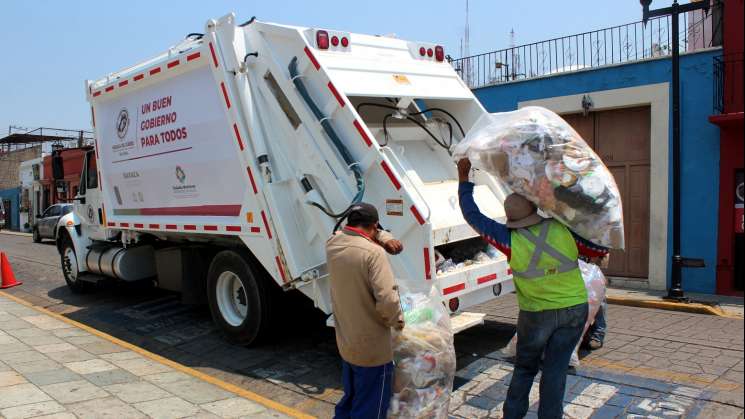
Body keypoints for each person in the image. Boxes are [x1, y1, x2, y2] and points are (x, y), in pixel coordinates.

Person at [456, 158, 608, 419]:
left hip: (536, 315)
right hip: (573, 310)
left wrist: (464, 178)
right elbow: (599, 248)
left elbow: (472, 215)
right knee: (555, 370)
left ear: (510, 218)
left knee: (525, 368)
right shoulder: (563, 229)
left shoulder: (506, 238)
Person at [326, 203, 405, 419]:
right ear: (374, 225)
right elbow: (388, 300)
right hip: (373, 350)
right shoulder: (373, 253)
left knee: (351, 399)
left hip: (347, 342)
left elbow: (345, 230)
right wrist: (399, 323)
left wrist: (382, 236)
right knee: (371, 408)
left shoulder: (332, 243)